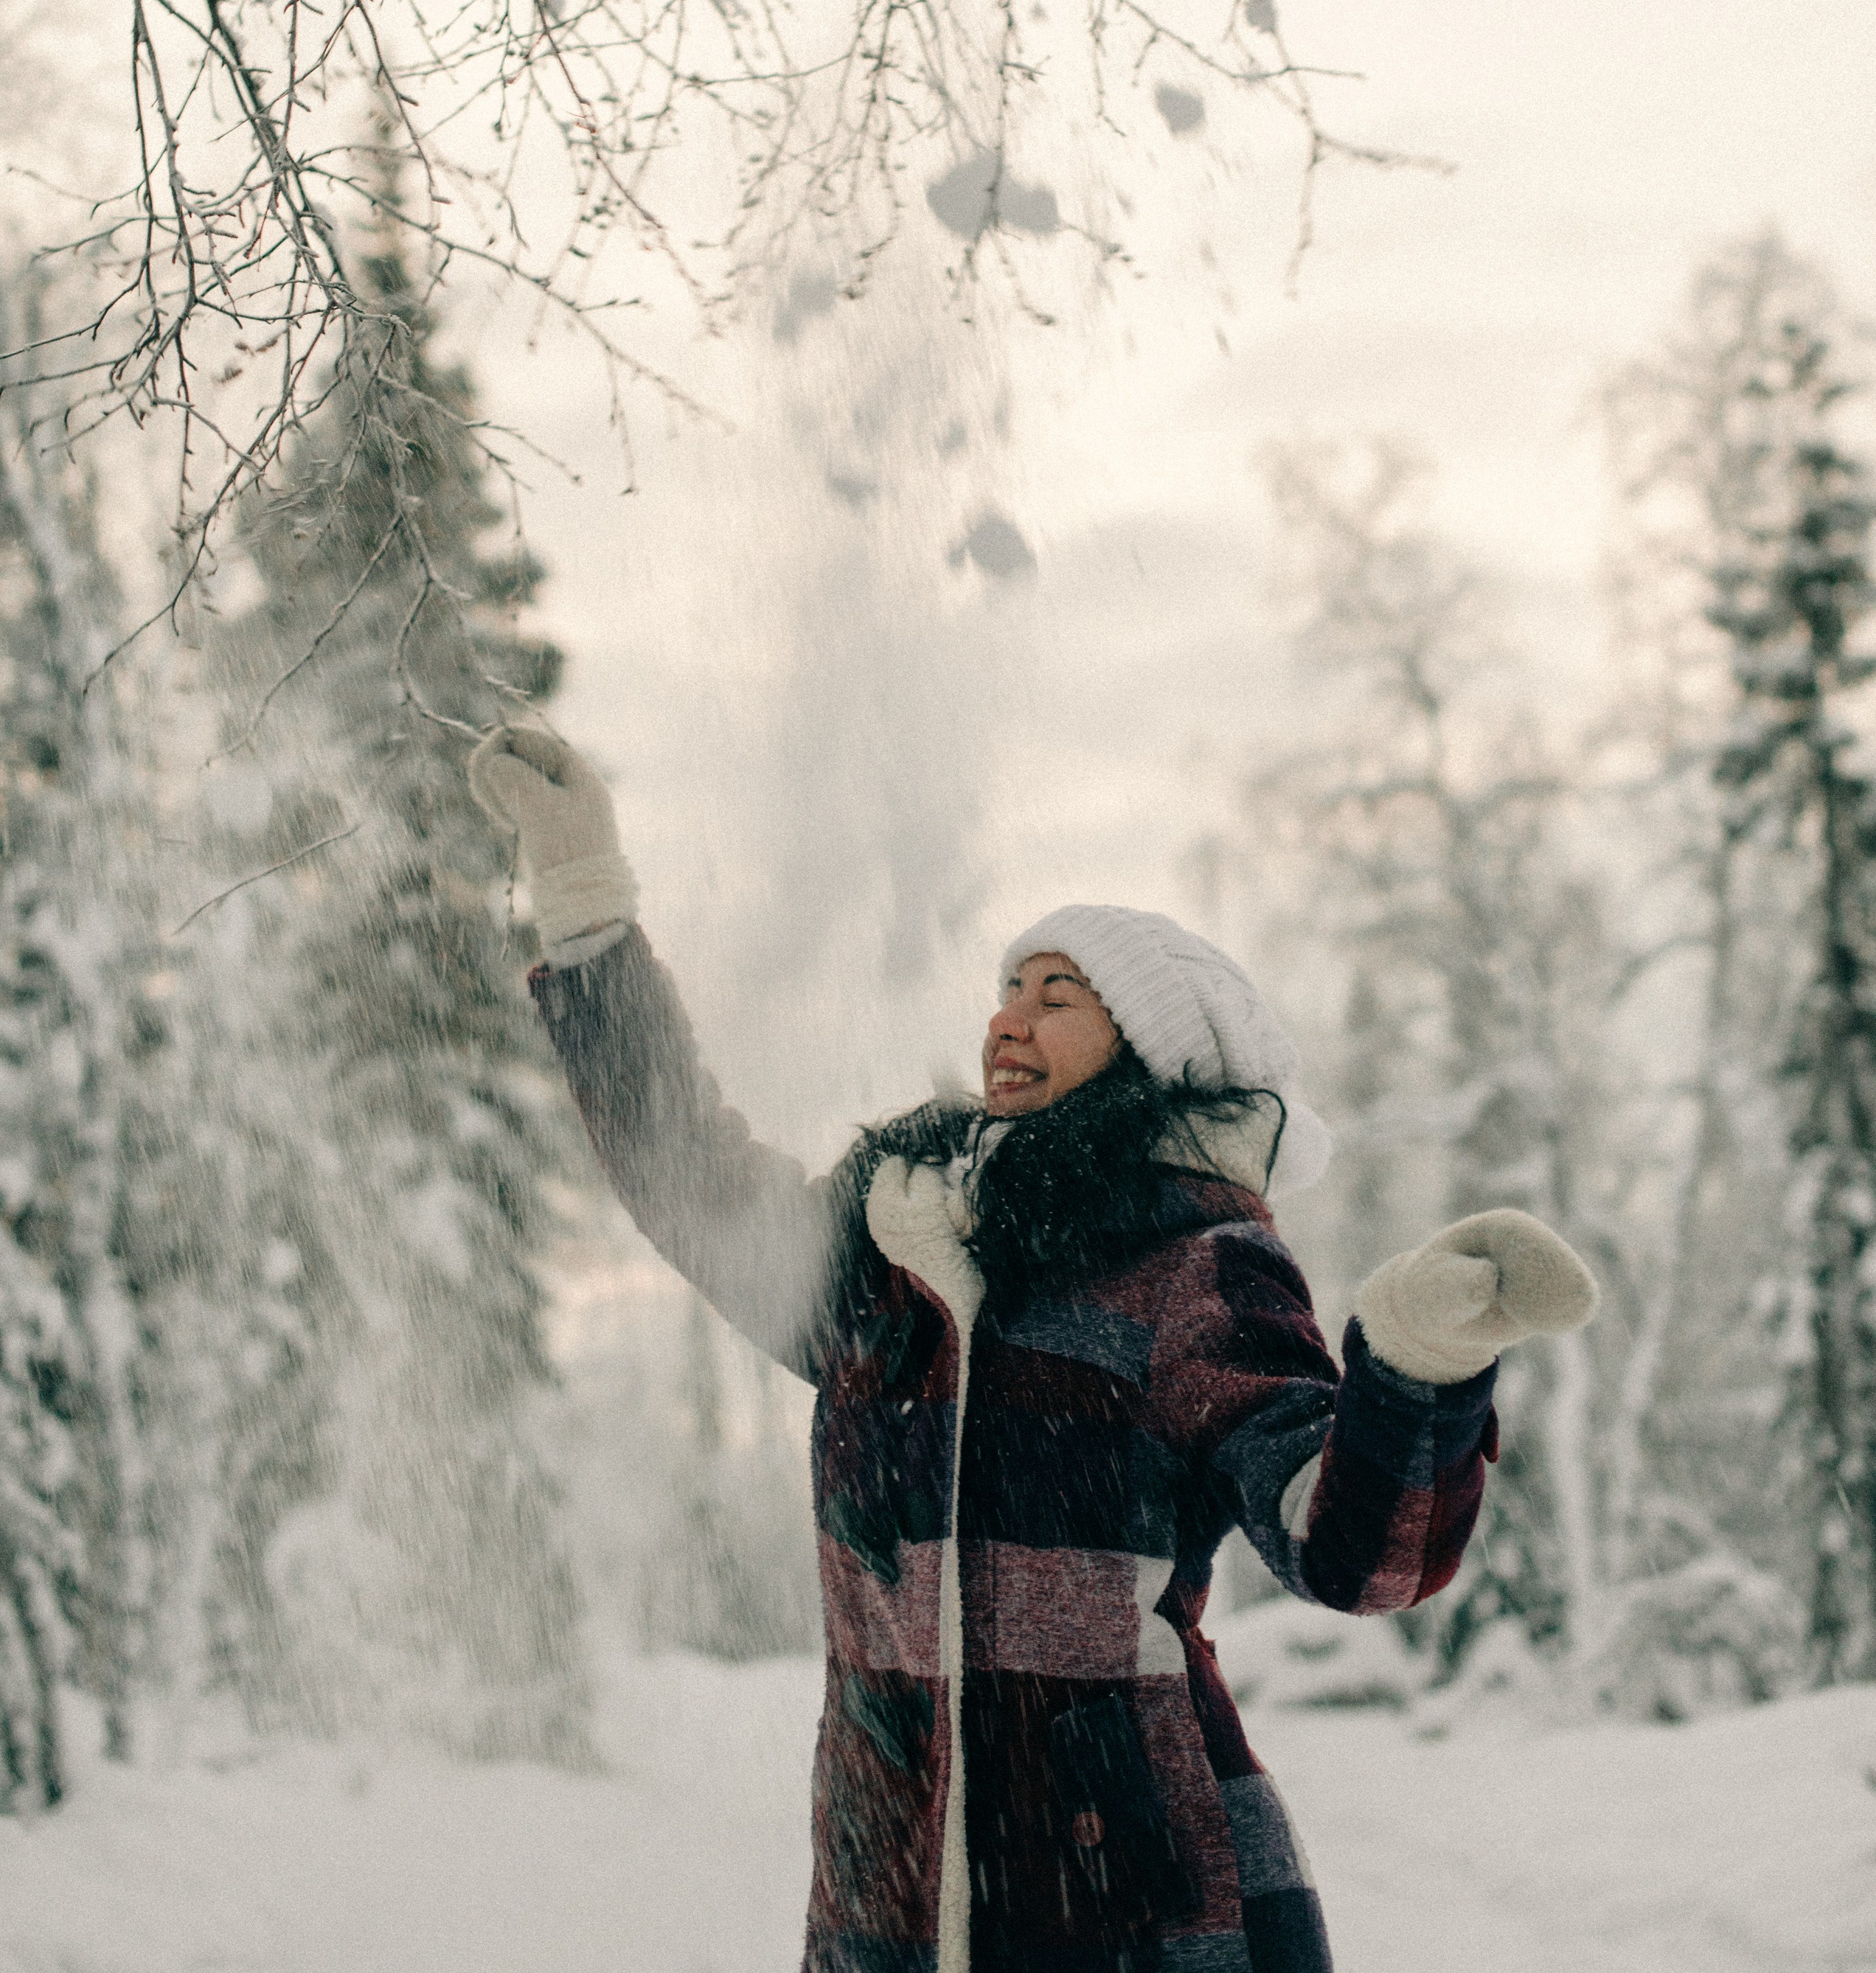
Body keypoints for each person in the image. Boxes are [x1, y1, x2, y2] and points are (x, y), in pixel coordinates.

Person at [470, 725, 1598, 1973]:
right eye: (1010, 988)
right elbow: (691, 1180)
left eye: (1060, 997)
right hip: (889, 1885)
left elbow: (1350, 1551)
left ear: (1153, 1050)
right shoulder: (894, 1258)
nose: (1011, 1018)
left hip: (1119, 1894)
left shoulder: (1187, 1258)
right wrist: (585, 907)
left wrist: (1415, 1363)